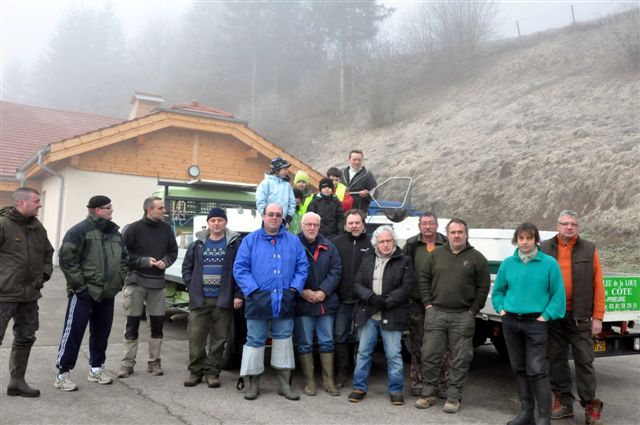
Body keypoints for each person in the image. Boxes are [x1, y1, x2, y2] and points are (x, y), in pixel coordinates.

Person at [492, 223, 566, 425]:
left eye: (529, 238)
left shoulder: (549, 264)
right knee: (519, 368)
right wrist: (501, 309)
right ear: (516, 240)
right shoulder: (508, 263)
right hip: (510, 322)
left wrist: (546, 316)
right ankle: (526, 413)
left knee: (536, 370)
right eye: (521, 238)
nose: (524, 242)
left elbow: (558, 295)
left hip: (536, 323)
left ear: (536, 240)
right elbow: (498, 291)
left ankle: (544, 418)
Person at [233, 203, 308, 401]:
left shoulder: (293, 241)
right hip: (258, 299)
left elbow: (302, 266)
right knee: (254, 342)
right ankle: (253, 385)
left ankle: (284, 385)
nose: (274, 217)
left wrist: (294, 288)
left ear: (282, 218)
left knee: (284, 340)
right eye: (271, 214)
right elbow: (240, 268)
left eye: (278, 215)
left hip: (285, 299)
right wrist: (253, 290)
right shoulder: (250, 241)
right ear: (263, 215)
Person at [416, 218, 490, 413]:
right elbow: (423, 278)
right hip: (436, 314)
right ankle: (428, 394)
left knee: (460, 359)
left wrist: (473, 310)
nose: (456, 236)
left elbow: (483, 287)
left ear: (466, 234)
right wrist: (428, 304)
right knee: (430, 355)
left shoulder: (477, 258)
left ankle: (453, 397)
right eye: (453, 232)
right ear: (447, 235)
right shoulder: (436, 255)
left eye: (460, 232)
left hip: (462, 316)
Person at [55, 195, 128, 391]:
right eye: (109, 208)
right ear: (98, 210)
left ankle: (96, 369)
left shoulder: (114, 233)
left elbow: (124, 259)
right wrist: (80, 287)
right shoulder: (79, 231)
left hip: (107, 293)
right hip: (84, 293)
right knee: (73, 333)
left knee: (101, 333)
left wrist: (118, 282)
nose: (112, 210)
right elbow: (67, 260)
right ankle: (62, 374)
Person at [540, 210, 606, 425]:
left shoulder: (589, 248)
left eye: (573, 224)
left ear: (578, 227)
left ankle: (590, 405)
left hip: (581, 316)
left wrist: (598, 317)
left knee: (585, 360)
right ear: (557, 226)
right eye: (565, 223)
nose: (569, 227)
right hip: (554, 314)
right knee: (557, 360)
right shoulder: (544, 248)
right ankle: (564, 401)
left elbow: (598, 283)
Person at [348, 225, 413, 406]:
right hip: (369, 313)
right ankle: (359, 387)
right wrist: (370, 297)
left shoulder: (404, 260)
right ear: (376, 243)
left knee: (393, 354)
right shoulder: (368, 258)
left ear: (394, 241)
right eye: (381, 241)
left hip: (392, 313)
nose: (385, 244)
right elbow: (357, 283)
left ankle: (396, 390)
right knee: (363, 352)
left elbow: (407, 287)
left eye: (388, 241)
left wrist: (387, 301)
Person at [0, 187, 54, 397]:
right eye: (36, 201)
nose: (40, 204)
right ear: (22, 203)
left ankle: (17, 382)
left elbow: (48, 253)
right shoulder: (3, 224)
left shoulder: (37, 227)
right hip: (4, 294)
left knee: (26, 337)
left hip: (30, 295)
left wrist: (44, 275)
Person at [181, 207, 243, 388]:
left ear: (226, 222)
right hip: (200, 300)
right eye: (213, 220)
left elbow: (241, 271)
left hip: (223, 299)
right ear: (208, 223)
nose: (216, 223)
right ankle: (195, 372)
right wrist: (191, 285)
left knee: (219, 340)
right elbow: (187, 267)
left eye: (220, 220)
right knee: (196, 338)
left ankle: (212, 373)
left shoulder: (234, 245)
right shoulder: (197, 245)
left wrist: (238, 294)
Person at [118, 196, 178, 378]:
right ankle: (127, 364)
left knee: (157, 326)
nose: (164, 211)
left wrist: (165, 262)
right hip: (135, 283)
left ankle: (154, 363)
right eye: (160, 208)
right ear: (149, 210)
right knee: (132, 325)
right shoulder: (133, 229)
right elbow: (122, 254)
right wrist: (143, 261)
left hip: (157, 285)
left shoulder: (167, 229)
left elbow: (173, 251)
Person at [295, 212, 342, 397]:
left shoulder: (329, 247)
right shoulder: (293, 245)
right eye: (308, 224)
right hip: (302, 303)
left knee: (327, 341)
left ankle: (328, 381)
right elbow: (287, 270)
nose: (312, 228)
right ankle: (310, 382)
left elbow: (336, 270)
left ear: (319, 226)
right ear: (302, 225)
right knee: (304, 343)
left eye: (315, 225)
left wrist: (324, 291)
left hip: (325, 303)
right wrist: (302, 291)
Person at [402, 212, 447, 396]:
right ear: (419, 226)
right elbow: (402, 269)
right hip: (417, 303)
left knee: (442, 345)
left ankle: (442, 384)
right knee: (418, 344)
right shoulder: (411, 245)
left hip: (441, 302)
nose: (427, 226)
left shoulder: (446, 243)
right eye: (424, 223)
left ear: (437, 225)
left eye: (431, 223)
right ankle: (418, 382)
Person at [330, 209, 372, 388]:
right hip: (342, 300)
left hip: (364, 301)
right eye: (351, 223)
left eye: (357, 222)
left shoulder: (372, 243)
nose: (354, 226)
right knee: (340, 336)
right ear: (346, 225)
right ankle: (341, 373)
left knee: (362, 338)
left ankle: (359, 374)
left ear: (363, 224)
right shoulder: (336, 243)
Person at [255, 157, 296, 225]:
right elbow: (260, 201)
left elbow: (292, 203)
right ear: (276, 170)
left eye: (287, 169)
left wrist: (289, 217)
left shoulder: (287, 185)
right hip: (268, 220)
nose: (287, 171)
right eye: (284, 169)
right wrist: (264, 215)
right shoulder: (266, 183)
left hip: (282, 221)